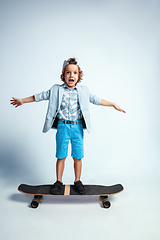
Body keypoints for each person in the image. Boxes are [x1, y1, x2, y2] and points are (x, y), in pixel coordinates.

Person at [10, 57, 126, 195]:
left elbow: (96, 100)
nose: (72, 75)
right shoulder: (55, 89)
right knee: (61, 156)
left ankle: (78, 181)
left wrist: (113, 104)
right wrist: (23, 100)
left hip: (77, 128)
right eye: (68, 73)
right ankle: (58, 181)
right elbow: (39, 96)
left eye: (75, 73)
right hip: (62, 127)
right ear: (63, 75)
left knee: (78, 156)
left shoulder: (83, 90)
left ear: (79, 75)